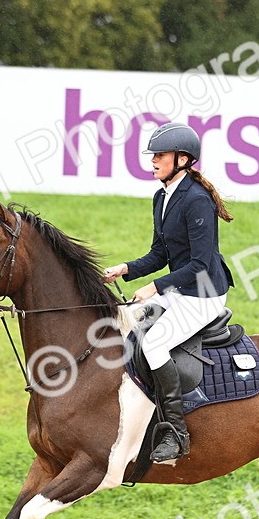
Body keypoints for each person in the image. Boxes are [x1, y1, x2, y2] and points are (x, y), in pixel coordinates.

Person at [102, 121, 235, 462]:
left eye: (160, 155)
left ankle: (175, 432)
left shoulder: (197, 199)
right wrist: (127, 269)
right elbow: (161, 253)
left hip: (203, 293)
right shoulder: (162, 196)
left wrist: (156, 286)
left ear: (182, 158)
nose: (153, 161)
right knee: (125, 321)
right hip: (181, 287)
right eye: (153, 156)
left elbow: (202, 264)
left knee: (154, 342)